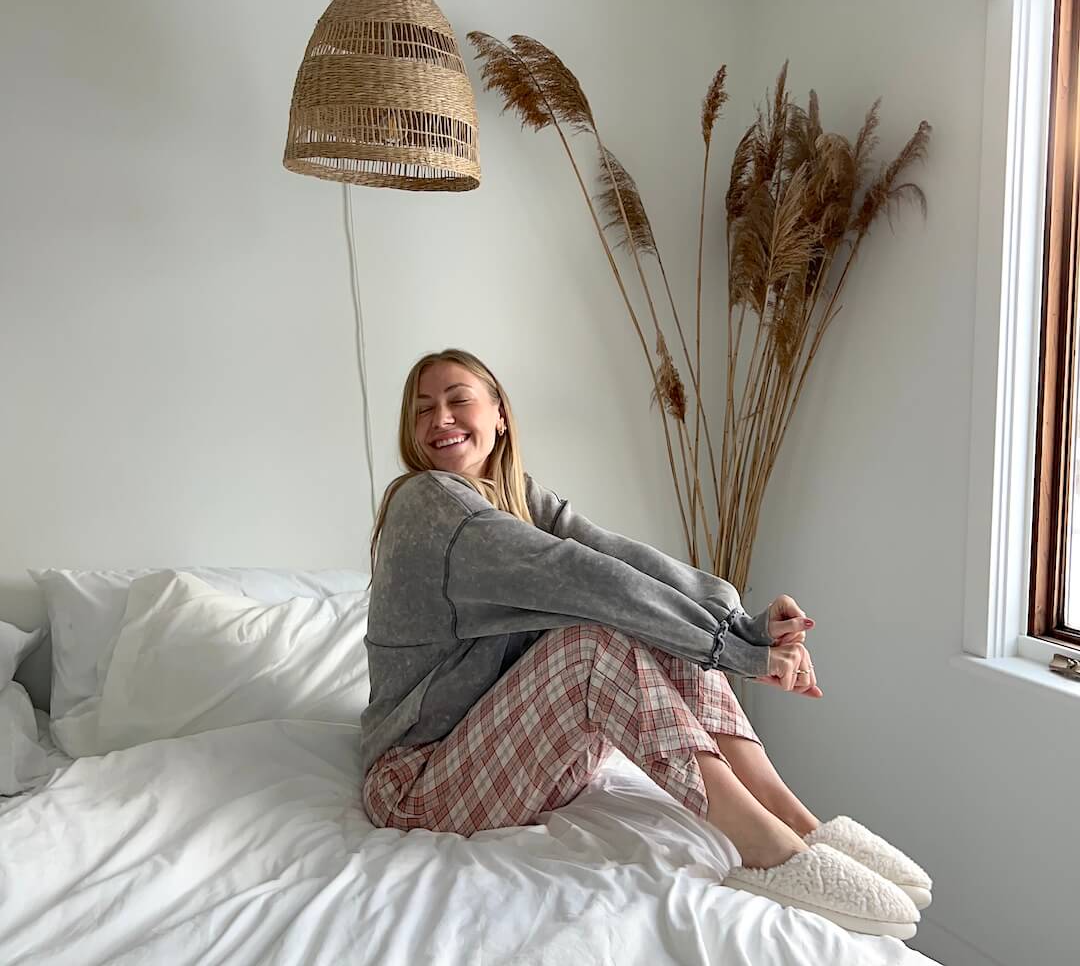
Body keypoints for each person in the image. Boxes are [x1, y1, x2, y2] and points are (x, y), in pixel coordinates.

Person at [357, 349, 931, 940]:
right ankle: (764, 849)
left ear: (500, 414)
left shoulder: (516, 497)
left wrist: (739, 624)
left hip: (514, 759)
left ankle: (796, 821)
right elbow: (580, 576)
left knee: (638, 621)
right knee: (591, 643)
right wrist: (733, 652)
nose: (439, 420)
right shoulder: (426, 503)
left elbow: (618, 558)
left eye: (457, 400)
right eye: (423, 409)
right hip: (418, 784)